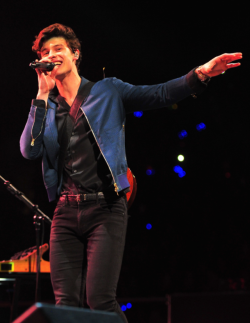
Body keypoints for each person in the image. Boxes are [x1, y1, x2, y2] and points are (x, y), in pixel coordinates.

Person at [20, 23, 242, 323]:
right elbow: (29, 150)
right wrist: (41, 95)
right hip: (65, 212)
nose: (50, 55)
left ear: (75, 54)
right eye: (45, 52)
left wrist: (200, 73)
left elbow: (159, 94)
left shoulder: (106, 90)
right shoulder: (48, 106)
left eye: (58, 49)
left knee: (100, 300)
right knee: (65, 304)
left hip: (106, 208)